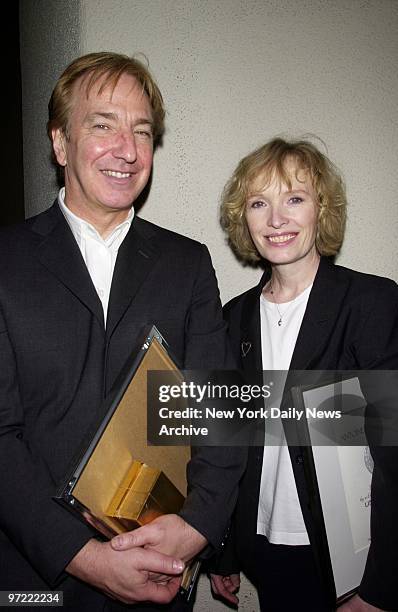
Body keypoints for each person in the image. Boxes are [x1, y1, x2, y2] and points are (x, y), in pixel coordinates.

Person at [0, 52, 245, 610]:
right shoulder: (5, 262)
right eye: (102, 125)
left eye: (141, 131)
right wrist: (85, 558)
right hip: (36, 585)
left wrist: (197, 527)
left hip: (163, 571)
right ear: (60, 144)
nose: (127, 150)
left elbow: (219, 412)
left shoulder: (188, 265)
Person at [210, 138, 398, 611]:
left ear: (323, 209)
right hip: (265, 548)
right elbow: (229, 440)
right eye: (259, 203)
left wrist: (380, 586)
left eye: (294, 198)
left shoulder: (370, 304)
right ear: (243, 220)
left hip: (353, 562)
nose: (276, 219)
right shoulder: (232, 319)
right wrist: (225, 550)